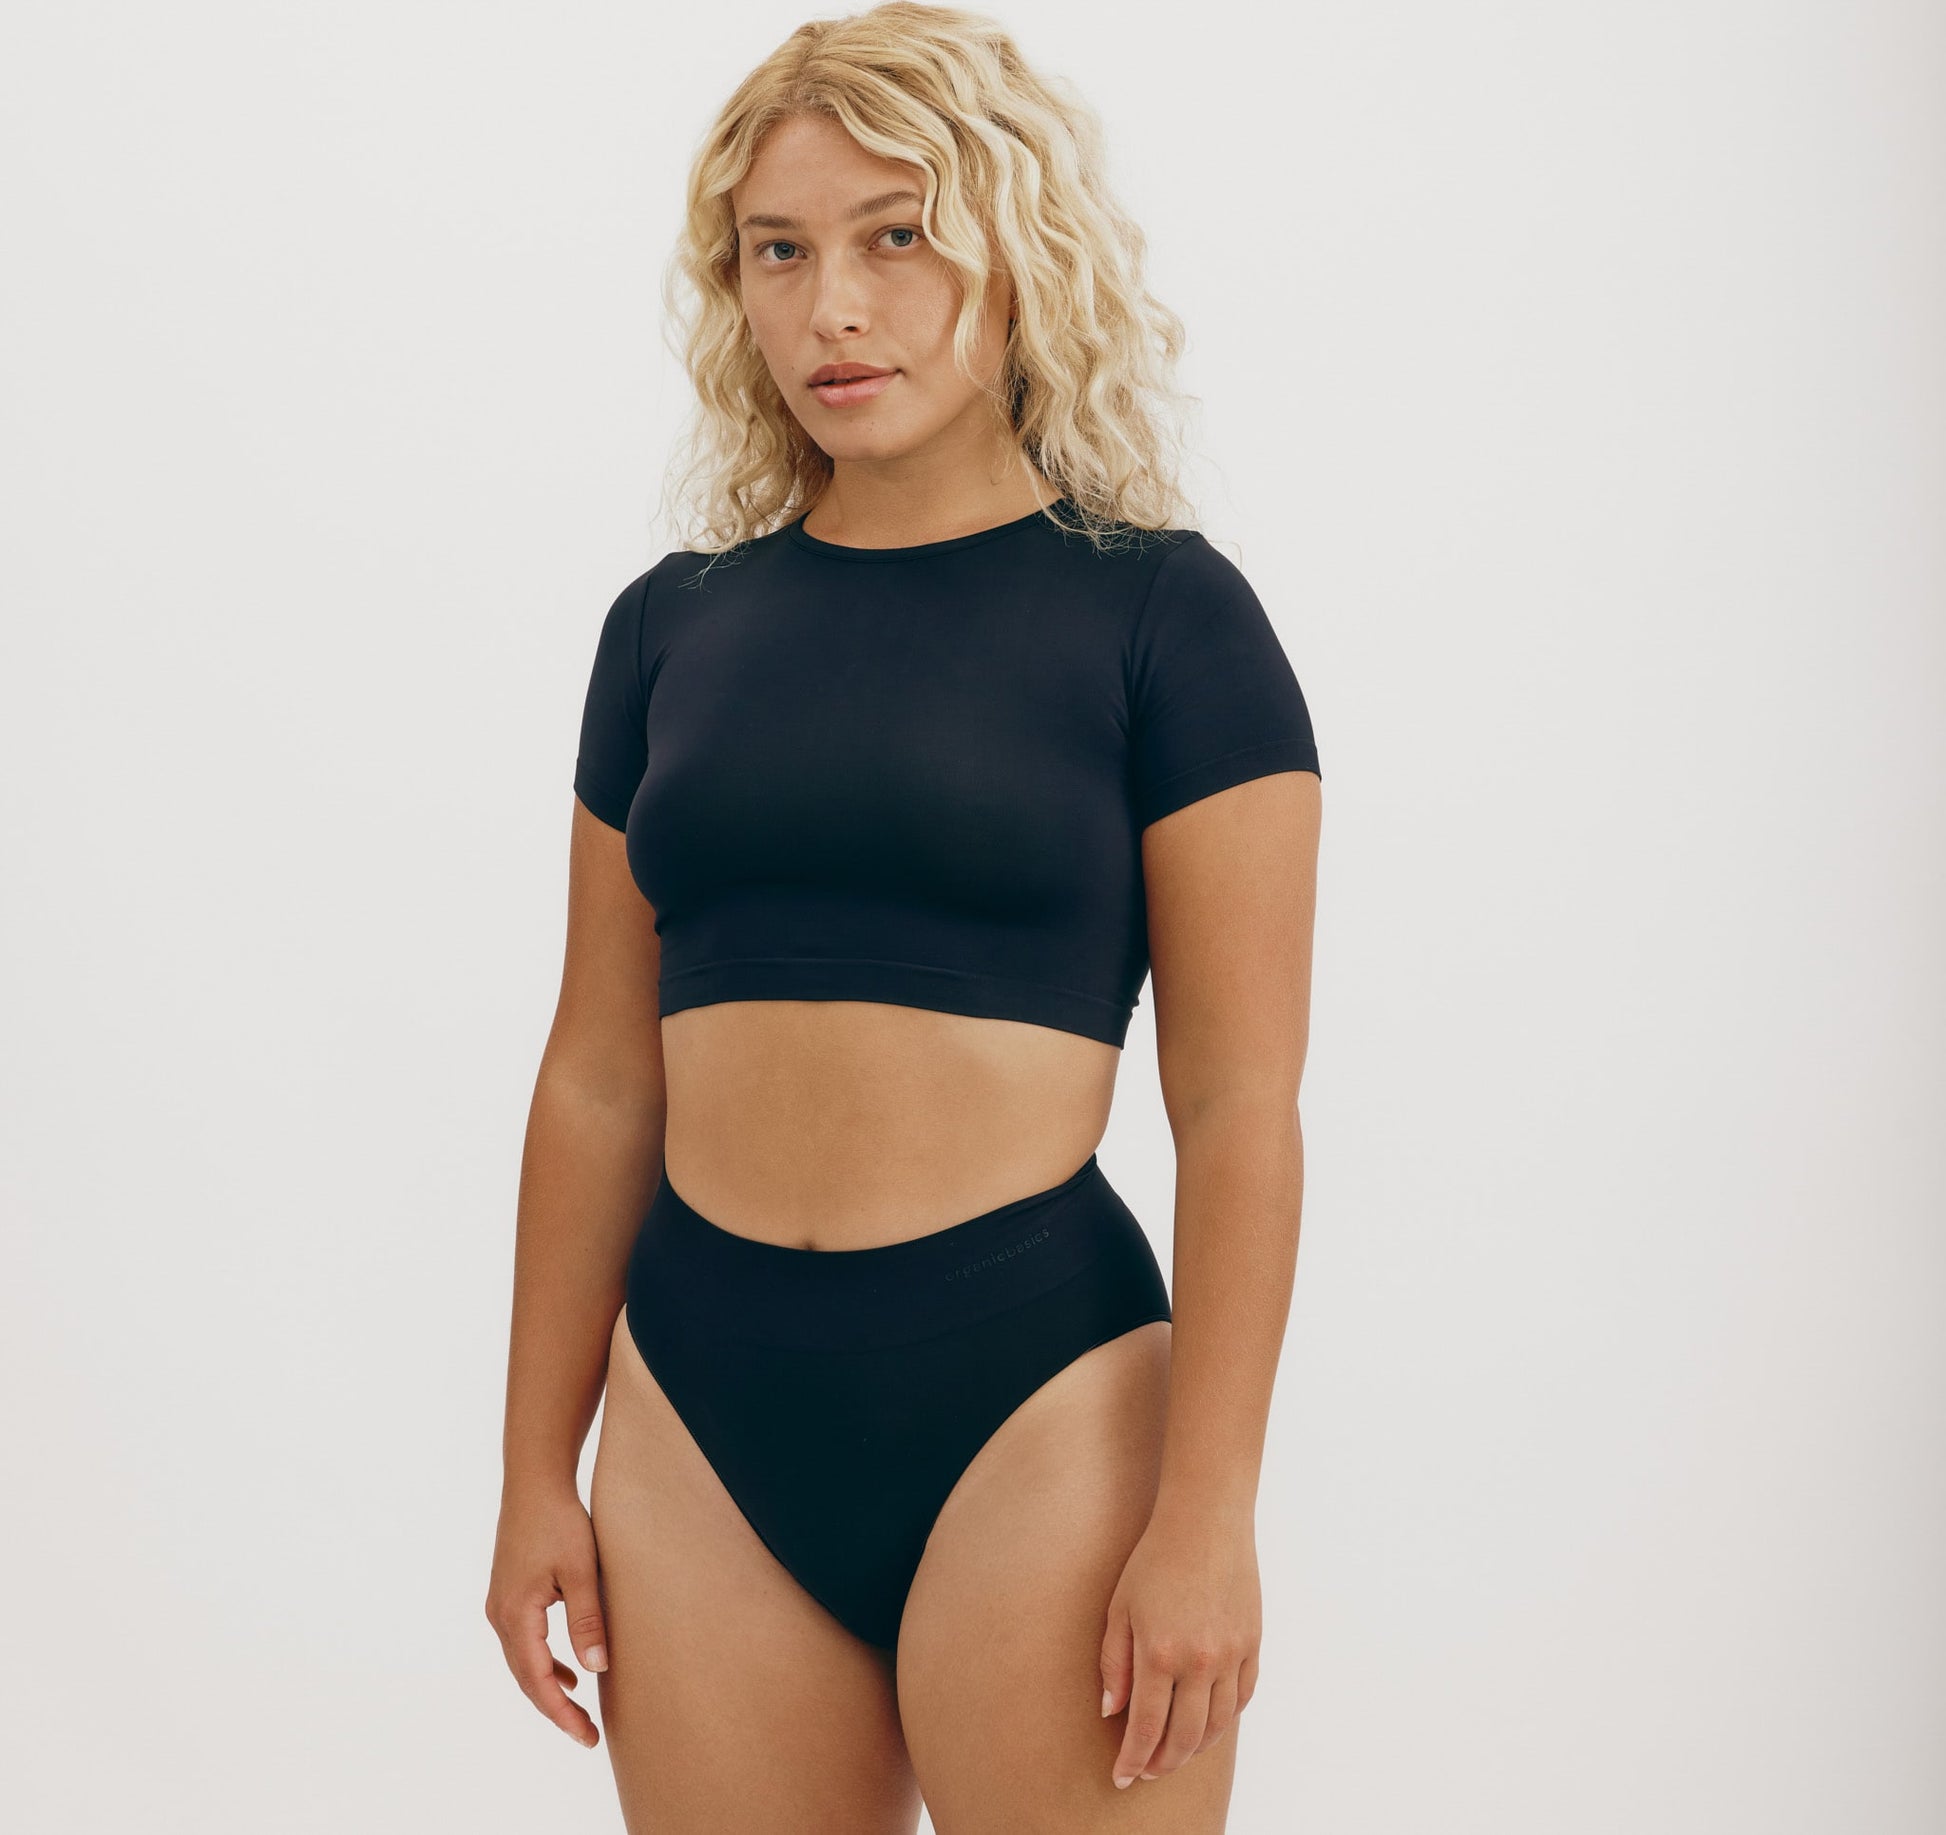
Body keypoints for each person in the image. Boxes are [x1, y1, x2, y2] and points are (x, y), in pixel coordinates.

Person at [485, 5, 1322, 1829]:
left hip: (1037, 1394)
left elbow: (1236, 1104)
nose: (832, 311)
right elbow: (597, 1078)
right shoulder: (669, 629)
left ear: (1018, 248)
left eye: (896, 235)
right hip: (694, 1402)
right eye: (778, 253)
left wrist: (1209, 1516)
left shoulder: (1166, 620)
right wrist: (534, 1470)